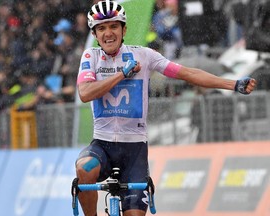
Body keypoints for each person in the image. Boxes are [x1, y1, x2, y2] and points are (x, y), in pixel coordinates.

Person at [75, 1, 257, 216]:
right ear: (95, 34)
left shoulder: (144, 55)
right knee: (84, 168)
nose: (108, 33)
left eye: (113, 26)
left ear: (124, 29)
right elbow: (85, 93)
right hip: (102, 144)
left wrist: (233, 84)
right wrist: (121, 75)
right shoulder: (91, 57)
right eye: (101, 28)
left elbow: (188, 73)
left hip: (134, 150)